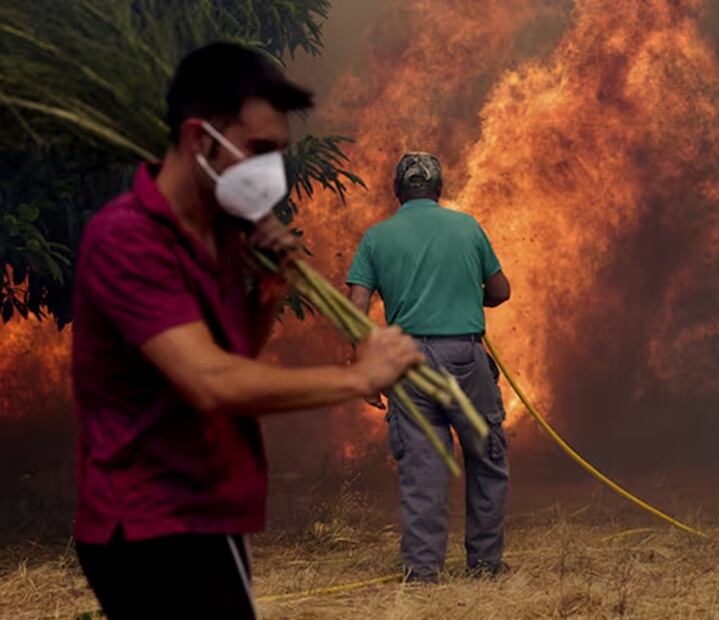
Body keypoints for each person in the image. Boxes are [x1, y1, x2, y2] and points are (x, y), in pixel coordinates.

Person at [71, 43, 424, 619]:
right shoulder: (129, 239)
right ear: (198, 139)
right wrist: (359, 374)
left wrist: (268, 293)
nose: (271, 171)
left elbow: (232, 356)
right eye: (258, 150)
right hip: (152, 521)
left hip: (204, 507)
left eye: (278, 153)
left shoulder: (220, 236)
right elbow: (211, 381)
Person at [346, 152, 512, 582]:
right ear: (439, 190)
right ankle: (485, 565)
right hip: (465, 357)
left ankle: (422, 574)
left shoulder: (376, 237)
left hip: (407, 364)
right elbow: (500, 290)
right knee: (486, 457)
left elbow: (356, 308)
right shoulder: (467, 226)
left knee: (423, 468)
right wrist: (467, 297)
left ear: (397, 192)